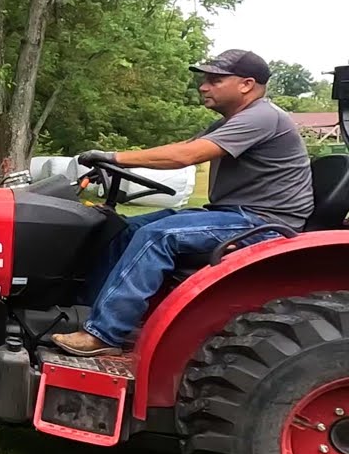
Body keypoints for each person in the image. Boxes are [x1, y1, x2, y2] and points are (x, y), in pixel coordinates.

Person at [51, 49, 315, 357]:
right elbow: (185, 147)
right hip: (233, 213)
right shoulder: (232, 121)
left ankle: (104, 333)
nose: (203, 86)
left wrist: (114, 156)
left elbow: (185, 157)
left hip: (263, 222)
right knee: (126, 228)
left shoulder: (262, 117)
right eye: (205, 80)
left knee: (157, 236)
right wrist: (116, 161)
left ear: (246, 84)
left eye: (214, 80)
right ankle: (84, 310)